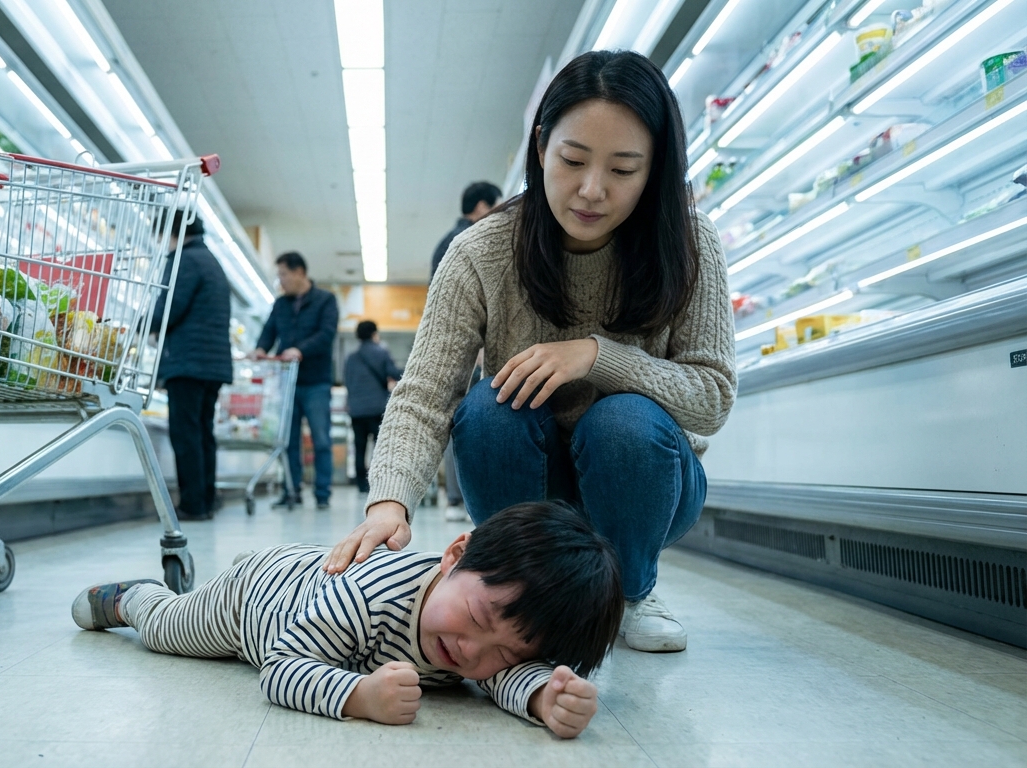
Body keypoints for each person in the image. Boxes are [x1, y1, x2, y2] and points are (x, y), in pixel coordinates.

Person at [324, 50, 737, 654]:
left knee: (622, 419)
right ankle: (520, 589)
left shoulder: (691, 244)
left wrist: (599, 357)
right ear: (541, 146)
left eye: (624, 170)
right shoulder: (481, 252)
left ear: (655, 171)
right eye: (572, 160)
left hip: (647, 482)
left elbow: (712, 399)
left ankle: (630, 593)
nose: (591, 191)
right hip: (529, 478)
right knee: (489, 409)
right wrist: (389, 503)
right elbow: (424, 395)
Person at [70, 500, 622, 738]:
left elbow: (507, 669)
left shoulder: (485, 634)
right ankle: (133, 597)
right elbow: (280, 667)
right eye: (477, 617)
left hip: (311, 593)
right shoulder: (372, 596)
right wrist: (359, 696)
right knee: (170, 631)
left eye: (509, 653)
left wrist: (542, 696)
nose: (475, 652)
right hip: (253, 602)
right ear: (455, 554)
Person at [151, 211, 233, 520]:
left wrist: (144, 326)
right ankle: (206, 500)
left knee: (185, 434)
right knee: (202, 433)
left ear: (172, 231)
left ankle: (193, 504)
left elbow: (168, 309)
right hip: (211, 364)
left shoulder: (184, 260)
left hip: (189, 362)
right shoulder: (209, 259)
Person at [432, 182, 502, 521]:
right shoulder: (471, 241)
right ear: (481, 206)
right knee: (468, 418)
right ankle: (459, 500)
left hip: (458, 345)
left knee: (457, 418)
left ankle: (455, 499)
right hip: (473, 350)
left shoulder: (443, 243)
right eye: (496, 206)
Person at [251, 252, 340, 509]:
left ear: (299, 272)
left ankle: (322, 494)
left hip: (316, 382)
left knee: (321, 438)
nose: (281, 281)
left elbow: (326, 335)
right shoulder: (281, 304)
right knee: (287, 441)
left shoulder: (325, 300)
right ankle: (292, 491)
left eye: (283, 274)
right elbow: (269, 332)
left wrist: (300, 350)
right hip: (286, 383)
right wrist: (260, 349)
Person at [342, 320, 402, 494]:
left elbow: (348, 382)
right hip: (377, 409)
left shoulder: (351, 358)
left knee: (359, 447)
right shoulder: (381, 352)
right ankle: (377, 481)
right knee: (379, 447)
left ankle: (361, 484)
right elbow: (394, 373)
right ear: (374, 334)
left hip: (357, 410)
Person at [431, 180, 502, 279]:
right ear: (481, 207)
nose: (500, 215)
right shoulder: (473, 239)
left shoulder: (453, 237)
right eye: (497, 208)